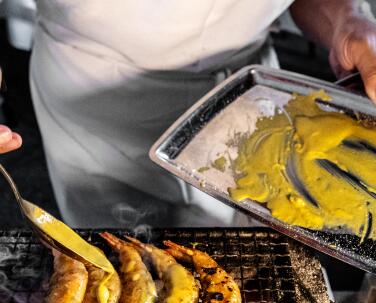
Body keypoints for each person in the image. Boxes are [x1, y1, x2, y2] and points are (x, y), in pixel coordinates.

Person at [2, 0, 376, 227]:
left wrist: (348, 20)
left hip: (250, 98)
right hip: (98, 96)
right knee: (123, 258)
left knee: (250, 266)